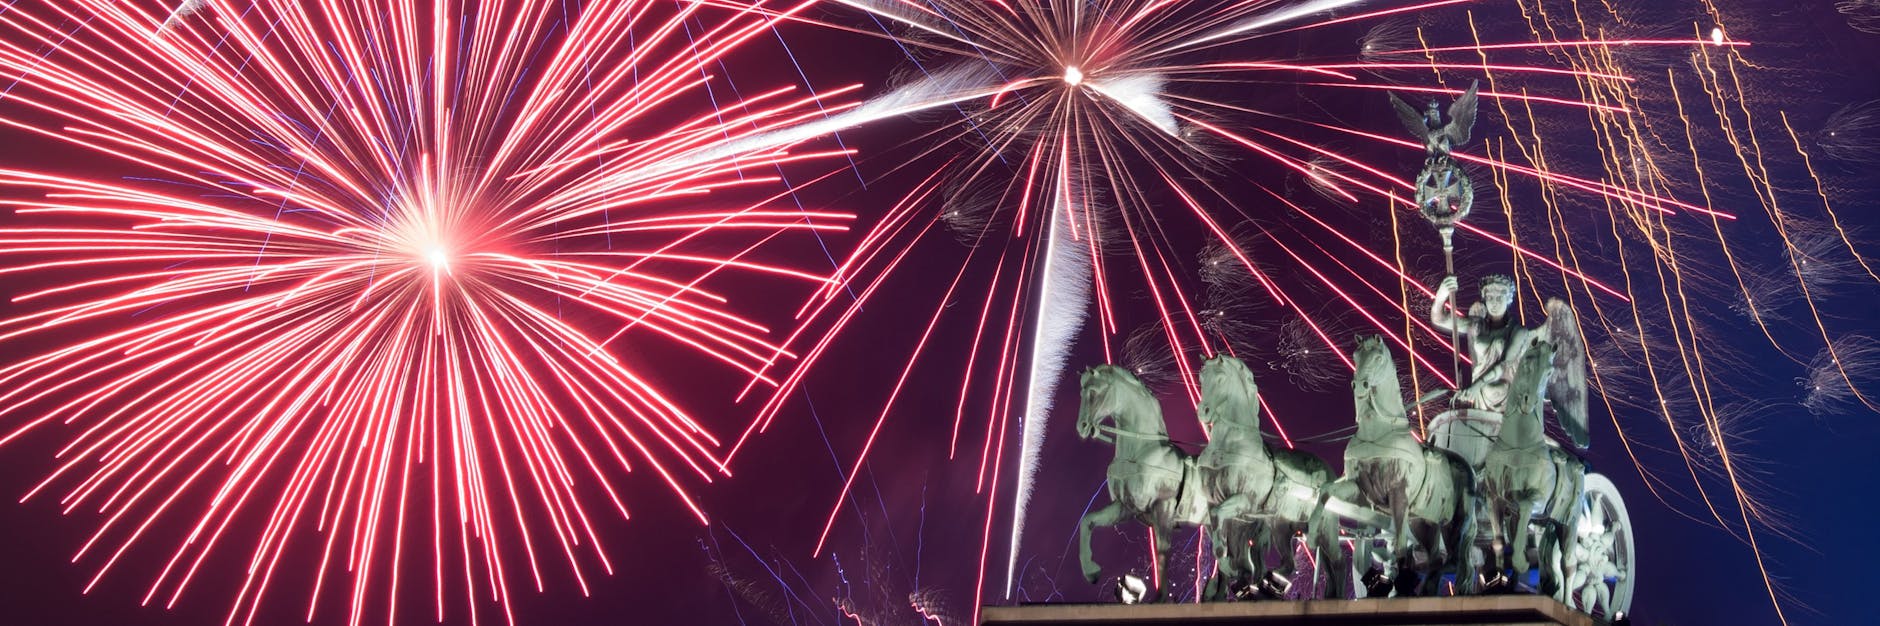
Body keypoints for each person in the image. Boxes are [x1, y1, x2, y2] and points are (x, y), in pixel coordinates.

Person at [1431, 274, 1536, 414]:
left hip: (1506, 396)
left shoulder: (1518, 331)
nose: (1494, 303)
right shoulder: (1477, 326)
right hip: (1479, 395)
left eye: (1499, 298)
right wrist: (1442, 294)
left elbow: (1506, 363)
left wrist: (1476, 386)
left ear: (1508, 299)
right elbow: (1439, 319)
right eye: (1490, 298)